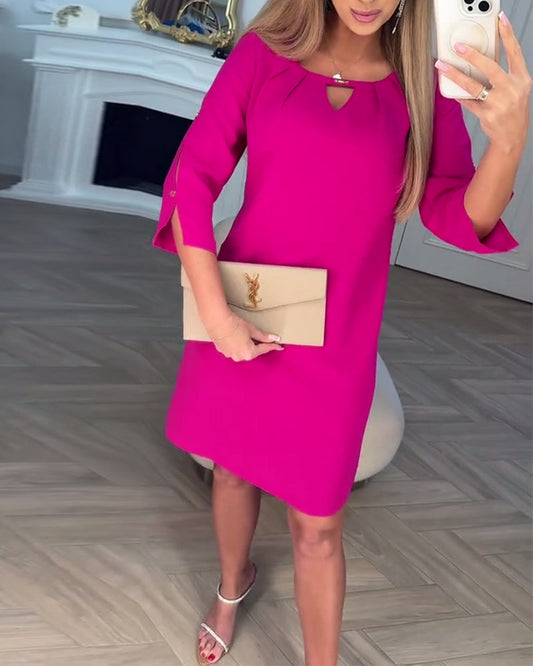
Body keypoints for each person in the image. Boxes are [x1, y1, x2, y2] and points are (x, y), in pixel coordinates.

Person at [152, 1, 530, 664]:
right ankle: (232, 587)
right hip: (247, 306)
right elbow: (193, 176)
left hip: (338, 339)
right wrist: (217, 316)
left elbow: (455, 216)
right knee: (231, 473)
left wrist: (509, 141)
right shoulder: (263, 55)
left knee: (319, 526)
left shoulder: (424, 83)